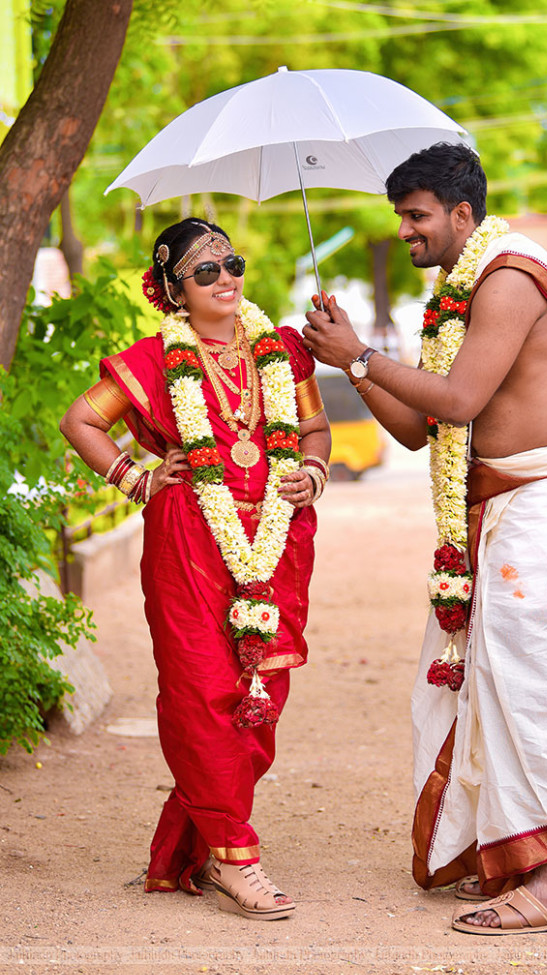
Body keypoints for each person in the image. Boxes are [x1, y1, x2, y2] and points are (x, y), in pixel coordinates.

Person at [301, 144, 547, 935]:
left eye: (416, 218)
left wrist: (362, 353)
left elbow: (457, 399)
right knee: (478, 681)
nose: (407, 233)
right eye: (401, 219)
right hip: (494, 510)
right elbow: (420, 431)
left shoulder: (509, 277)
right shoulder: (458, 294)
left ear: (461, 215)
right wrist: (353, 364)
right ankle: (513, 856)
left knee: (523, 681)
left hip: (545, 501)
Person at [61, 217, 331, 921]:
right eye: (205, 271)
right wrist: (135, 477)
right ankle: (236, 858)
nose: (226, 278)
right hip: (188, 541)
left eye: (231, 263)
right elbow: (80, 423)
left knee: (263, 691)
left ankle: (205, 837)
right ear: (173, 290)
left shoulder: (282, 352)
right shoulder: (154, 359)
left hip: (277, 540)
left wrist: (313, 468)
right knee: (201, 692)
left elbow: (314, 430)